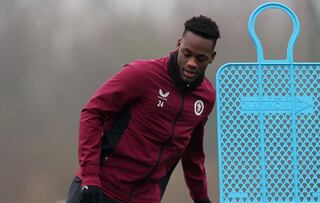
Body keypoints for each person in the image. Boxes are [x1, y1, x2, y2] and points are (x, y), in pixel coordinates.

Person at [66, 15, 220, 203]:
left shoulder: (206, 97)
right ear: (179, 44)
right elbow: (92, 112)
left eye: (200, 58)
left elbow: (193, 153)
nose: (192, 63)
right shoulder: (142, 74)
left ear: (211, 58)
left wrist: (201, 198)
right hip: (100, 188)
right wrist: (90, 174)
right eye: (187, 54)